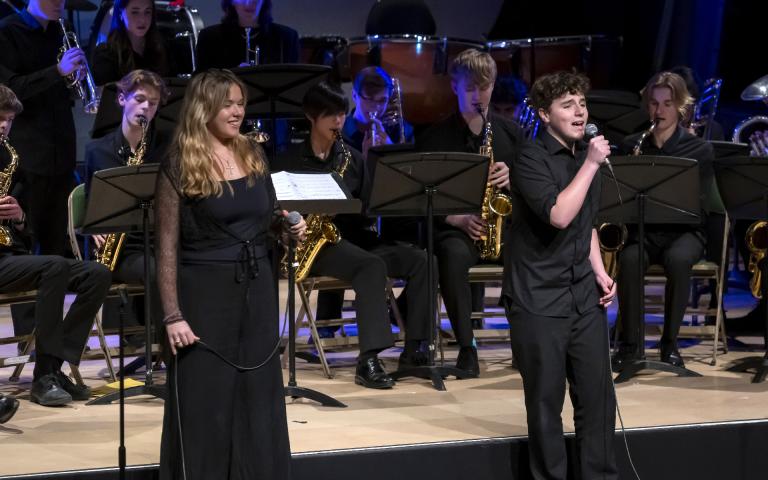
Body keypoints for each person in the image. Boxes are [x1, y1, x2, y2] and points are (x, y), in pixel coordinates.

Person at [155, 69, 303, 479]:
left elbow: (266, 219)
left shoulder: (253, 153)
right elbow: (166, 246)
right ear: (205, 107)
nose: (238, 111)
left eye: (241, 103)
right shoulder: (179, 163)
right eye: (228, 104)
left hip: (256, 290)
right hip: (204, 293)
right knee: (207, 402)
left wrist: (288, 226)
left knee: (257, 399)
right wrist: (172, 315)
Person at [272, 81, 434, 388]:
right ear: (311, 116)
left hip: (354, 240)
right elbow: (273, 209)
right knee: (370, 267)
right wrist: (291, 224)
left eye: (342, 115)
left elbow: (371, 209)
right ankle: (368, 359)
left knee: (421, 260)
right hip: (316, 246)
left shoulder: (352, 159)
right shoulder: (286, 161)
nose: (338, 122)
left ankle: (415, 349)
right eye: (330, 115)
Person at [503, 71, 617, 479]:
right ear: (543, 114)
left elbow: (585, 224)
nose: (579, 111)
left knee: (596, 399)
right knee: (546, 404)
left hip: (581, 293)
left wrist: (600, 271)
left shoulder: (588, 158)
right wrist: (590, 164)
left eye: (581, 103)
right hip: (537, 296)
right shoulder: (530, 157)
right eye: (567, 105)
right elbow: (558, 214)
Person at [0, 83, 112, 406]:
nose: (5, 125)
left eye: (9, 119)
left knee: (97, 274)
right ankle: (43, 378)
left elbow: (28, 233)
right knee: (55, 264)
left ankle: (54, 366)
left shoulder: (10, 160)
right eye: (0, 118)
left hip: (11, 256)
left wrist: (19, 216)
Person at [417, 49, 522, 376]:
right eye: (470, 88)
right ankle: (467, 346)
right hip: (458, 230)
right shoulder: (435, 137)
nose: (479, 96)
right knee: (449, 254)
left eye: (485, 87)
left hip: (502, 229)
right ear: (454, 87)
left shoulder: (511, 135)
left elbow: (537, 189)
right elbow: (420, 198)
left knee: (532, 251)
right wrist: (456, 219)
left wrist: (513, 179)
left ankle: (526, 341)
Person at [615, 71, 717, 368]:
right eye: (654, 104)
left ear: (681, 107)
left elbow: (701, 204)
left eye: (668, 104)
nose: (659, 111)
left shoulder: (699, 149)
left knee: (678, 260)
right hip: (644, 231)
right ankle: (631, 345)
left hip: (684, 231)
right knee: (630, 260)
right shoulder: (633, 145)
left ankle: (669, 344)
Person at [84, 69, 170, 332]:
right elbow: (90, 205)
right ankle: (159, 344)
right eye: (140, 99)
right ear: (122, 99)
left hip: (160, 241)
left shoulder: (168, 146)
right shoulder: (97, 150)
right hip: (123, 249)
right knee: (159, 272)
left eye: (153, 103)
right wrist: (94, 230)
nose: (146, 107)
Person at [0, 0, 85, 256]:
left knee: (60, 241)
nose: (59, 3)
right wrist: (58, 71)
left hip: (62, 149)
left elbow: (62, 90)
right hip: (30, 153)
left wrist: (75, 79)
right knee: (29, 237)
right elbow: (11, 89)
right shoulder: (7, 31)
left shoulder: (63, 28)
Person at [195, 0, 299, 71]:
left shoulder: (287, 38)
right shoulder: (209, 38)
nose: (249, 3)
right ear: (231, 1)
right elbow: (200, 84)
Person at [91, 0, 174, 86]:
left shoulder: (162, 48)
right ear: (120, 13)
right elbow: (107, 96)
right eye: (135, 12)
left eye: (147, 12)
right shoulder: (106, 54)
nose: (142, 20)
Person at [341, 66, 414, 158]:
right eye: (370, 99)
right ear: (354, 95)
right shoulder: (340, 133)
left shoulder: (402, 130)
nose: (376, 106)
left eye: (382, 100)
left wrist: (390, 150)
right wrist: (364, 160)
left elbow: (411, 169)